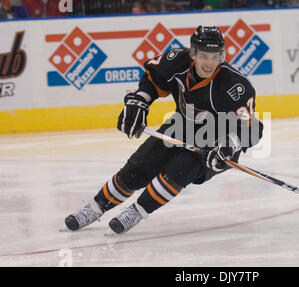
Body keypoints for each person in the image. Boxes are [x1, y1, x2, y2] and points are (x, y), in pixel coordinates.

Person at [64, 26, 263, 234]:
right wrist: (140, 101)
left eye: (215, 57)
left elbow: (252, 129)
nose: (209, 63)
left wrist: (229, 146)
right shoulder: (176, 61)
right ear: (193, 53)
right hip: (182, 125)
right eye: (204, 56)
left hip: (216, 140)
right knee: (140, 165)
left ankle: (137, 211)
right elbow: (152, 81)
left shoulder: (234, 86)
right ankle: (95, 208)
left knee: (180, 169)